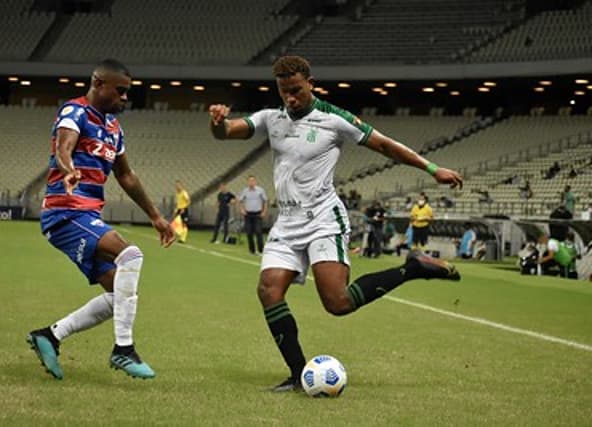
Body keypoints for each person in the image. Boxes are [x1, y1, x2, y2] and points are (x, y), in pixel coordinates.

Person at [209, 55, 462, 391]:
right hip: (287, 222)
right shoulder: (272, 118)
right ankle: (299, 375)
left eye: (296, 90)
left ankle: (412, 267)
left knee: (337, 303)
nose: (291, 98)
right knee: (269, 290)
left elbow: (385, 145)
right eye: (284, 91)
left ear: (310, 83)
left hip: (323, 219)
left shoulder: (334, 119)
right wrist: (217, 121)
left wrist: (432, 169)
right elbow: (228, 131)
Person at [27, 59, 175, 381]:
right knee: (131, 254)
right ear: (98, 83)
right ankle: (124, 350)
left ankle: (49, 336)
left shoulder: (114, 130)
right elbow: (63, 148)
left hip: (86, 215)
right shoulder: (74, 112)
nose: (124, 98)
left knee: (118, 296)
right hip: (65, 212)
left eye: (127, 92)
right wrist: (68, 171)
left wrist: (157, 218)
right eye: (119, 91)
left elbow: (126, 176)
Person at [239, 175, 268, 255]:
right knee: (249, 232)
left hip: (257, 214)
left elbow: (265, 201)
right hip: (248, 214)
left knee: (258, 232)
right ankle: (252, 250)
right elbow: (241, 200)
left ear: (255, 181)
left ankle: (261, 250)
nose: (251, 182)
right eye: (249, 181)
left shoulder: (260, 190)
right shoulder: (245, 191)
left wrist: (264, 211)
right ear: (247, 182)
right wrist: (242, 209)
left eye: (253, 181)